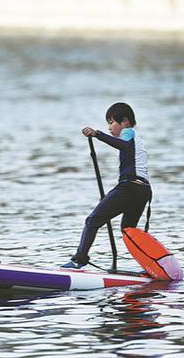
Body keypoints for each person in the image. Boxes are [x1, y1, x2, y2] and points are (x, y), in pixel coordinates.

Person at [62, 102, 152, 269]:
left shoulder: (128, 132)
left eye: (112, 122)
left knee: (92, 220)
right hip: (143, 191)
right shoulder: (136, 139)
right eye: (108, 123)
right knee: (129, 231)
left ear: (124, 121)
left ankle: (79, 260)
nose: (110, 127)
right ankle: (151, 264)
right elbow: (125, 147)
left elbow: (123, 145)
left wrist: (97, 134)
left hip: (130, 188)